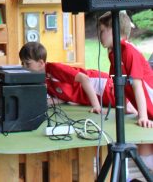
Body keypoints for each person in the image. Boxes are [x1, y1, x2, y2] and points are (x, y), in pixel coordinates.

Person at [98, 10, 153, 171]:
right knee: (145, 158)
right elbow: (119, 86)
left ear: (114, 30)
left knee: (146, 159)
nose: (100, 36)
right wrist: (123, 108)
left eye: (102, 31)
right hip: (146, 110)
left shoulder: (129, 51)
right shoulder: (114, 54)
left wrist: (142, 116)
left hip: (149, 109)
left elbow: (137, 85)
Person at [19, 41, 115, 113]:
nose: (24, 67)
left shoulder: (55, 69)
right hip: (93, 97)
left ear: (40, 63)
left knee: (123, 107)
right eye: (22, 63)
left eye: (27, 64)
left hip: (101, 86)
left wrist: (96, 106)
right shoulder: (42, 79)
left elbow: (84, 78)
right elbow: (62, 98)